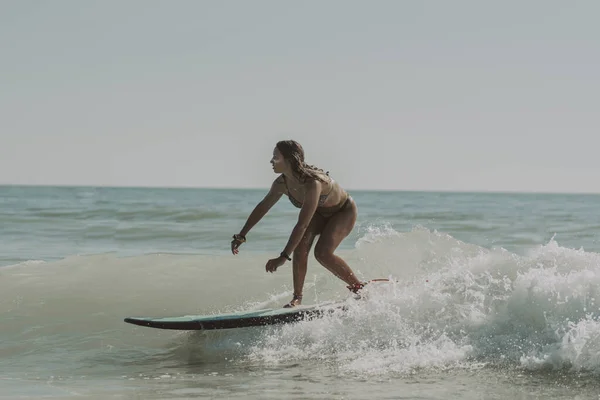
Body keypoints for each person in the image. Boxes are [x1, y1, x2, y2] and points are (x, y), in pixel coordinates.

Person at [231, 140, 365, 308]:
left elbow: (301, 224)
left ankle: (358, 288)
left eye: (275, 157)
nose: (271, 161)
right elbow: (263, 207)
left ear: (289, 160)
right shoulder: (281, 183)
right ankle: (297, 298)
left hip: (342, 211)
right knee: (301, 247)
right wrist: (242, 235)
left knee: (322, 253)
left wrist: (283, 257)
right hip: (319, 213)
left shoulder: (313, 183)